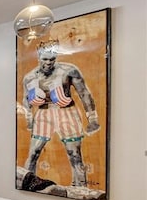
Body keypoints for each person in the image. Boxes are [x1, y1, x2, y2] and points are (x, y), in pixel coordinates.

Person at [20, 39, 100, 187]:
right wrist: (29, 118)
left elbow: (84, 93)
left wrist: (92, 118)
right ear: (38, 57)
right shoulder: (30, 77)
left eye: (52, 59)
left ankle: (80, 188)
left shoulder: (68, 70)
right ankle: (27, 185)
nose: (48, 63)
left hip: (67, 112)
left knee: (75, 155)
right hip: (43, 114)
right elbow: (26, 100)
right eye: (45, 59)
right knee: (33, 153)